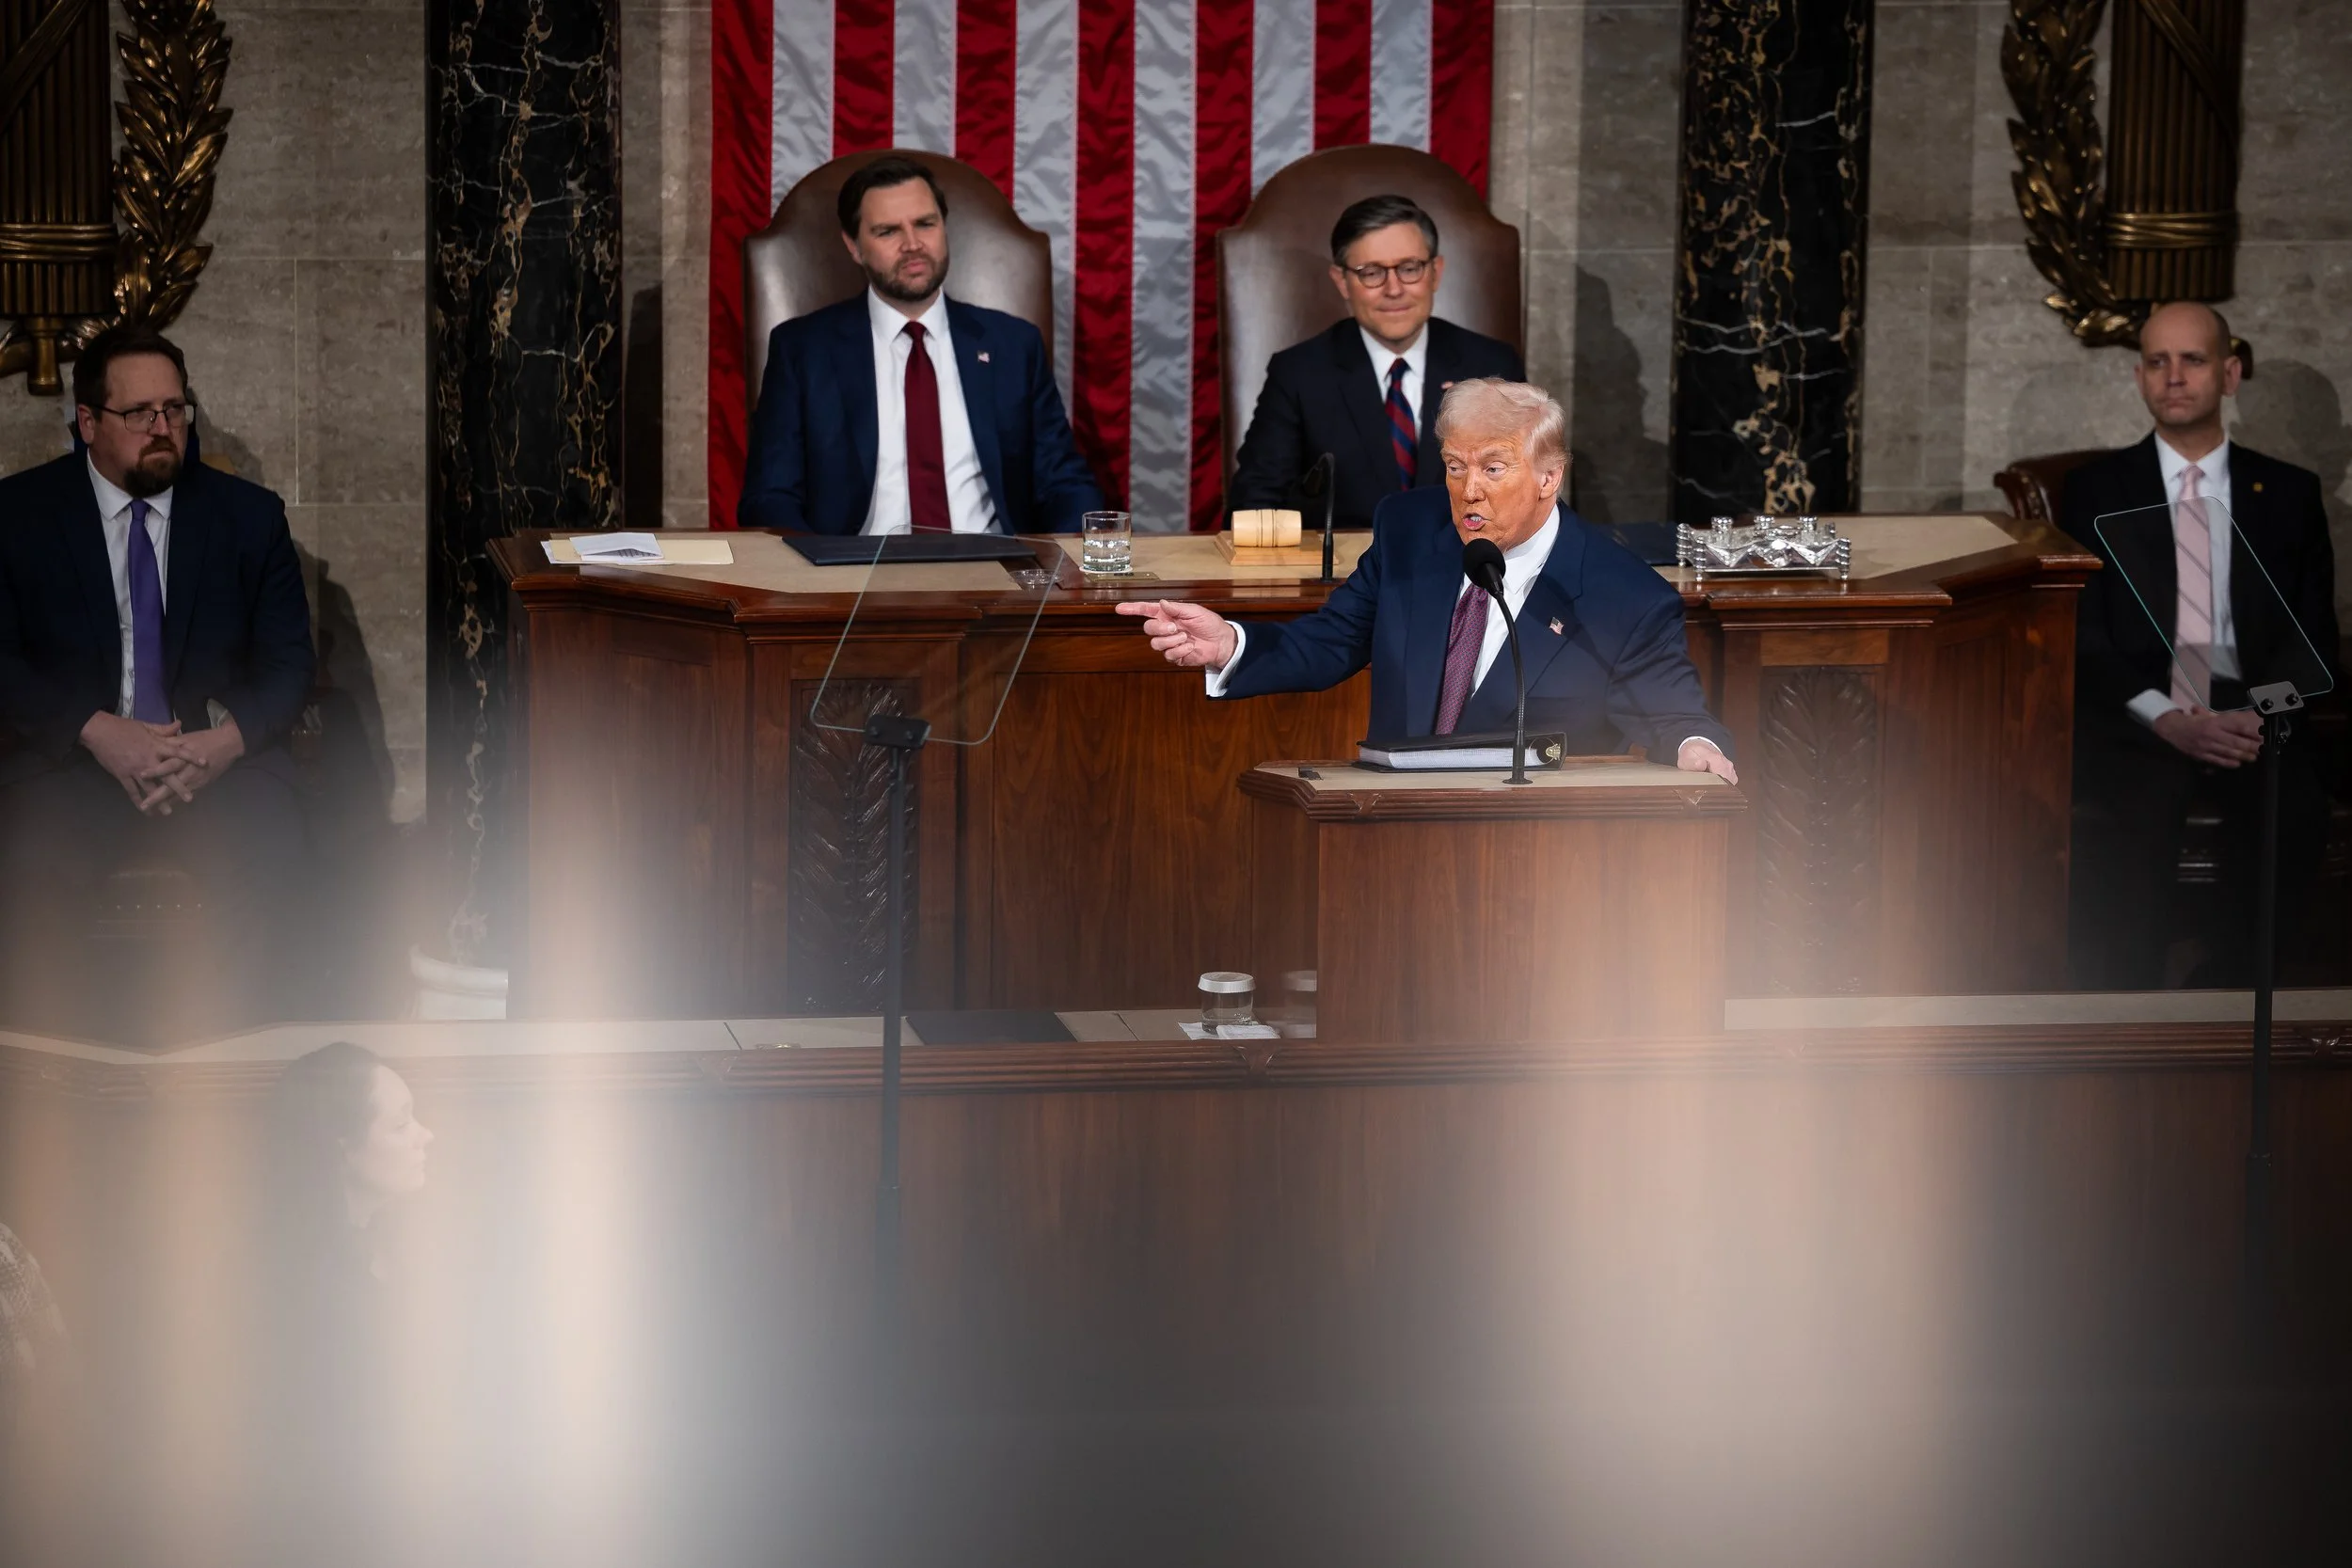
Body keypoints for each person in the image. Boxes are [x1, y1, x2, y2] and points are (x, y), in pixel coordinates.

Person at [1120, 378, 1737, 776]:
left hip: (1534, 858)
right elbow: (1333, 638)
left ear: (1549, 477)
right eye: (1454, 466)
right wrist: (1232, 643)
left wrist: (1697, 749)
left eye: (1494, 468)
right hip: (1390, 836)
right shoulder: (1411, 531)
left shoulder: (1622, 596)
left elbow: (1674, 718)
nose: (1469, 490)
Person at [0, 325, 313, 1033]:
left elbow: (292, 663)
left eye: (175, 409)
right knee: (27, 870)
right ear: (87, 423)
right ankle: (57, 1092)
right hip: (73, 766)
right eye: (140, 413)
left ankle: (225, 1079)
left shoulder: (248, 518)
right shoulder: (17, 516)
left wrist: (223, 744)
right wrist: (93, 728)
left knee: (280, 854)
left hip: (215, 768)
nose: (163, 428)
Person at [2061, 301, 2343, 989]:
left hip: (2254, 715)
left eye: (2193, 360)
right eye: (2158, 361)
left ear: (2230, 373)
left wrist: (2260, 713)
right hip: (2140, 715)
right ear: (2139, 378)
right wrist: (2165, 717)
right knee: (2131, 818)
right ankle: (2127, 1008)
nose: (2174, 377)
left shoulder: (2287, 494)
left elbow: (2314, 640)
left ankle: (2235, 994)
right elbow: (2084, 635)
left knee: (2294, 808)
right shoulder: (2093, 491)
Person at [739, 156, 1105, 534]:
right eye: (887, 232)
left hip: (991, 575)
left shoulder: (1012, 345)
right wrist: (817, 582)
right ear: (853, 246)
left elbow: (1064, 483)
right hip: (853, 578)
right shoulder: (802, 351)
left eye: (925, 224)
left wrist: (1066, 565)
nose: (912, 245)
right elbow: (769, 498)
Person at [1227, 194, 1525, 534]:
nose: (1394, 289)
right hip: (1342, 577)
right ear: (1342, 282)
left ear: (1435, 273)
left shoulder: (1491, 365)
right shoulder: (1299, 373)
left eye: (1410, 268)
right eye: (1371, 273)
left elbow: (1527, 495)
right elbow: (1253, 509)